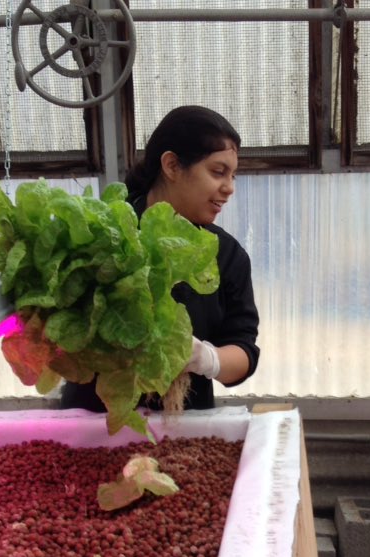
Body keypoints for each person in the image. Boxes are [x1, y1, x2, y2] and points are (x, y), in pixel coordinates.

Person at [61, 105, 261, 411]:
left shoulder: (226, 255)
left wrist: (206, 358)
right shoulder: (103, 234)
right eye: (218, 172)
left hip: (182, 426)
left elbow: (244, 350)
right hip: (94, 424)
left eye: (233, 175)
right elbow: (60, 332)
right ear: (171, 165)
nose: (229, 188)